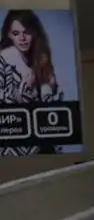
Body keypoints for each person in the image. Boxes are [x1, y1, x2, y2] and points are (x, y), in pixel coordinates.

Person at [0, 10, 63, 156]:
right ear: (8, 35)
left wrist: (49, 88)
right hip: (12, 148)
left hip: (43, 148)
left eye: (26, 32)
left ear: (34, 33)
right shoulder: (3, 60)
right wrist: (16, 95)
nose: (22, 38)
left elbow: (55, 111)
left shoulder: (42, 60)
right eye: (16, 33)